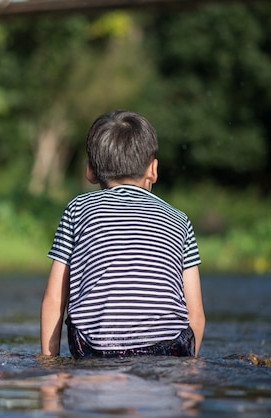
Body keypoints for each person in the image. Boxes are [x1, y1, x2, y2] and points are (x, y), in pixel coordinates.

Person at [40, 110, 205, 359]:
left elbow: (55, 299)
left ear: (90, 171)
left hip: (95, 349)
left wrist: (49, 362)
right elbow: (195, 315)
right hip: (169, 348)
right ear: (153, 169)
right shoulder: (180, 219)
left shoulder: (76, 210)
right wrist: (185, 372)